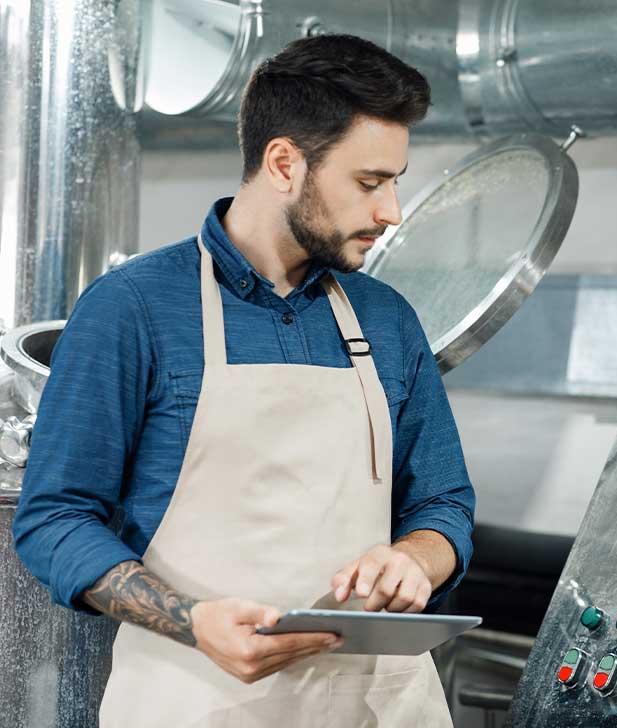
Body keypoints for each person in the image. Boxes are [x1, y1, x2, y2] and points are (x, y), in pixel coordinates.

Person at [13, 34, 474, 726]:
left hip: (378, 707)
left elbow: (442, 505)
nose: (391, 212)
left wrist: (418, 560)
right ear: (285, 163)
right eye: (370, 183)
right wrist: (194, 620)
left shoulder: (388, 320)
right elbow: (54, 521)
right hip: (194, 700)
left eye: (394, 182)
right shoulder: (134, 308)